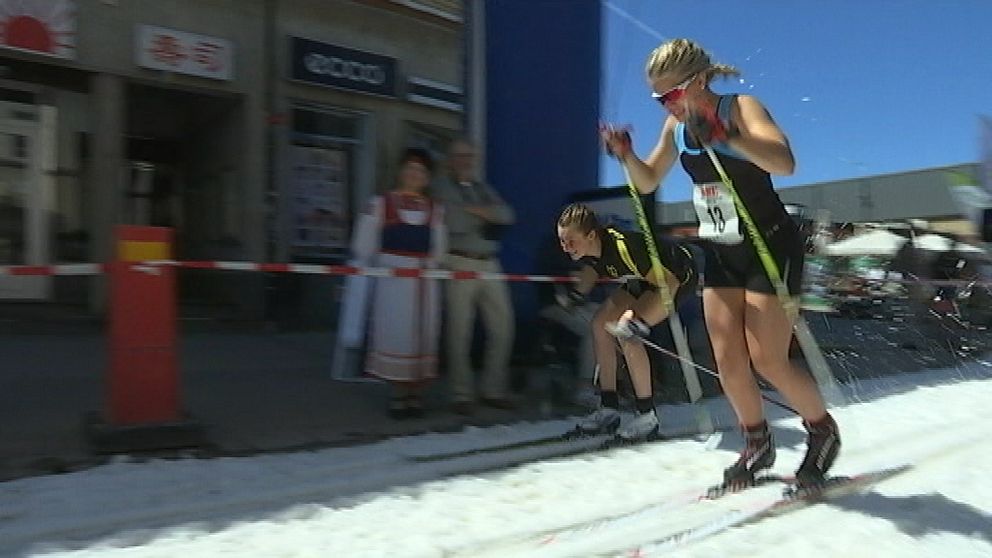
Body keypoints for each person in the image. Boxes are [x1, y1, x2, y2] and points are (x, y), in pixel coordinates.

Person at [601, 38, 840, 487]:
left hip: (768, 245)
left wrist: (726, 135)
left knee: (767, 359)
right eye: (659, 98)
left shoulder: (741, 107)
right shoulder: (675, 130)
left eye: (672, 95)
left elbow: (785, 163)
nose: (666, 106)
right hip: (722, 248)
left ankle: (822, 431)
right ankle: (757, 443)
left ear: (700, 80)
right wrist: (626, 154)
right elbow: (648, 180)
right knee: (728, 358)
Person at [556, 203, 698, 442]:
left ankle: (647, 416)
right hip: (644, 277)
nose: (566, 247)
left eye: (571, 241)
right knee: (600, 325)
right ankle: (609, 408)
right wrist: (575, 296)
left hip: (675, 277)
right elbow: (592, 269)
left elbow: (669, 284)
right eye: (562, 241)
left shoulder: (623, 247)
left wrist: (639, 322)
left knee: (626, 332)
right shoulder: (592, 249)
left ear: (591, 235)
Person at [349, 148, 446, 419]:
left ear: (427, 178)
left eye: (421, 171)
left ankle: (416, 395)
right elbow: (363, 244)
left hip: (425, 281)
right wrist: (376, 267)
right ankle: (398, 395)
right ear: (401, 171)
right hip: (393, 282)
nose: (415, 174)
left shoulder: (434, 209)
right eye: (410, 168)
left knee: (423, 334)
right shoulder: (381, 203)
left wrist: (431, 266)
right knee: (397, 332)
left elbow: (439, 250)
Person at [434, 138, 517, 416]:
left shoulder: (482, 186)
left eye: (469, 156)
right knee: (460, 331)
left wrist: (474, 211)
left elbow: (507, 216)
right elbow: (452, 222)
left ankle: (493, 389)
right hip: (458, 260)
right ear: (449, 159)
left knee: (503, 327)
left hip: (490, 263)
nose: (464, 161)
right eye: (459, 155)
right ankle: (461, 394)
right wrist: (486, 214)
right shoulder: (441, 187)